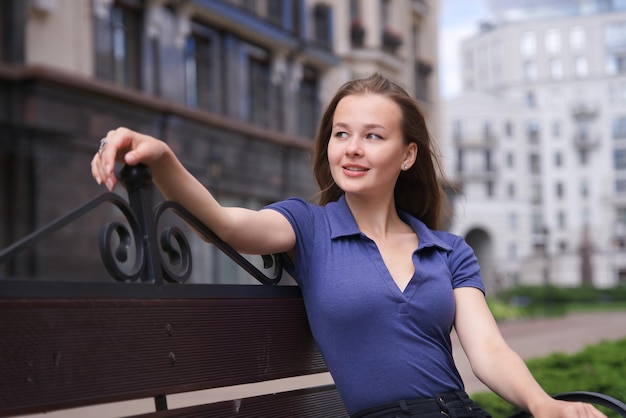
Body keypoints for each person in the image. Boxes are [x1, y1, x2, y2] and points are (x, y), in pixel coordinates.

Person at [92, 73, 605, 418]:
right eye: (341, 134)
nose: (352, 149)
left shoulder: (448, 251)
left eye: (372, 136)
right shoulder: (308, 227)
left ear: (407, 156)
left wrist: (546, 405)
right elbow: (224, 225)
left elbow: (489, 351)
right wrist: (162, 159)